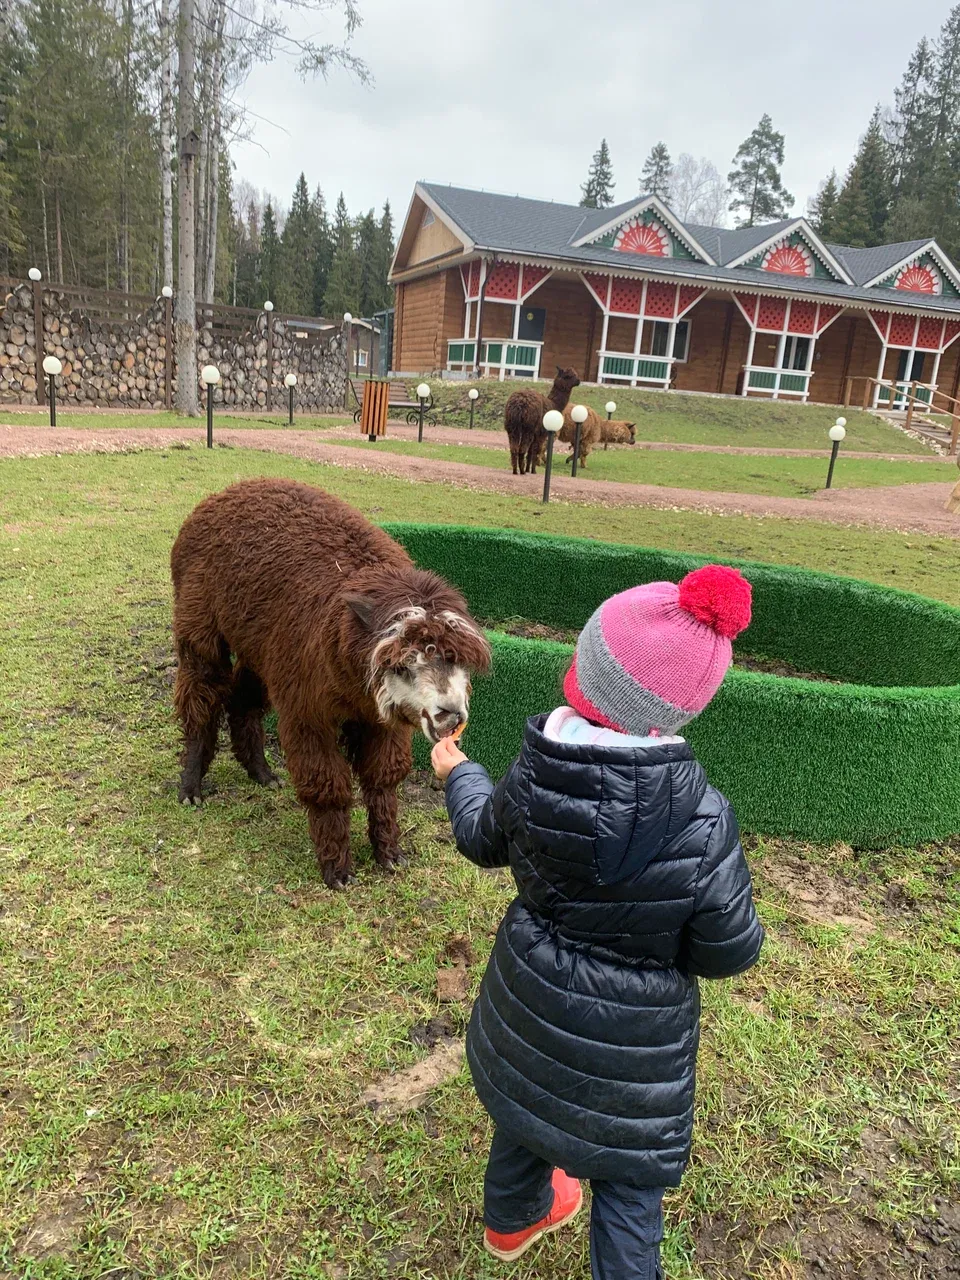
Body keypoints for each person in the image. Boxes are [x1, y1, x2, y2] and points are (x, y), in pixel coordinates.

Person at [430, 564, 765, 1280]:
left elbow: (481, 839)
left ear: (586, 671)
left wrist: (459, 773)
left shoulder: (533, 770)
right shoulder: (705, 823)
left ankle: (512, 1221)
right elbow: (728, 950)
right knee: (627, 1184)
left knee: (525, 1111)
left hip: (532, 1006)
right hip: (636, 1050)